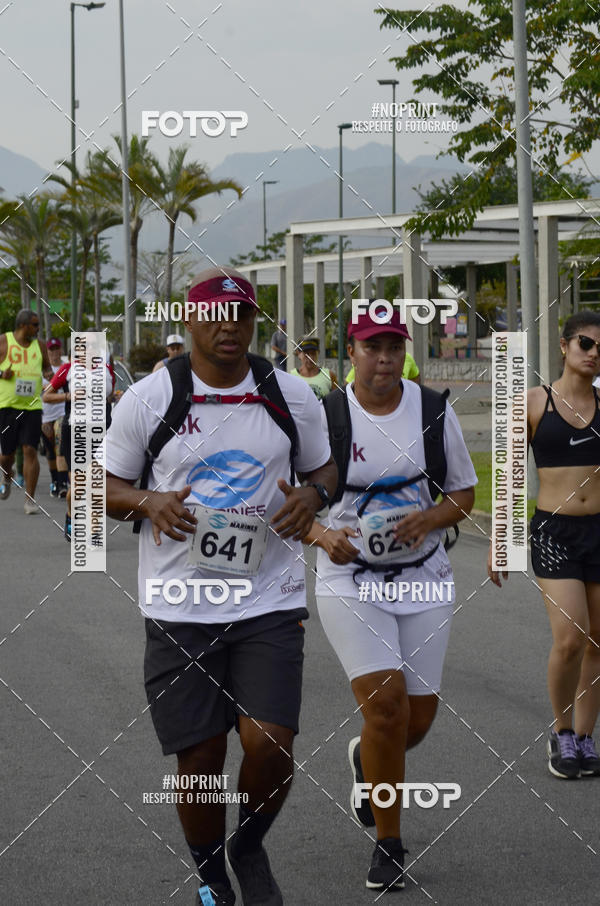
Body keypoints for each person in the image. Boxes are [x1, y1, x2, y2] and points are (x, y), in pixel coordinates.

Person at [102, 266, 337, 906]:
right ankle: (210, 876)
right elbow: (101, 488)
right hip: (180, 604)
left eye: (241, 315)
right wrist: (149, 501)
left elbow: (325, 469)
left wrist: (314, 496)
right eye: (214, 315)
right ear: (190, 320)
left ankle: (248, 845)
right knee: (201, 759)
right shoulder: (150, 398)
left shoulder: (291, 394)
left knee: (271, 743)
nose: (228, 326)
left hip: (269, 597)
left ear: (254, 321)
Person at [304, 308, 476, 891]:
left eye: (393, 348)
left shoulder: (431, 411)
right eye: (371, 347)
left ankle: (366, 759)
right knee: (386, 710)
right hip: (349, 580)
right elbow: (289, 502)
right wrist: (321, 535)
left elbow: (463, 492)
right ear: (350, 352)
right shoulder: (324, 417)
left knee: (415, 721)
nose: (384, 359)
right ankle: (389, 844)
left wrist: (430, 518)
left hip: (424, 576)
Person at [488, 311, 600, 780]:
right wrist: (500, 540)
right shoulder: (534, 402)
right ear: (564, 345)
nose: (593, 353)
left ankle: (586, 738)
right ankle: (562, 731)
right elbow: (509, 476)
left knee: (597, 642)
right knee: (571, 638)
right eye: (585, 343)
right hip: (555, 533)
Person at [43, 349, 115, 541]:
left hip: (101, 432)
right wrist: (69, 396)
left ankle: (94, 531)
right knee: (78, 487)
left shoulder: (106, 369)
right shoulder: (68, 369)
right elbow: (46, 396)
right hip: (76, 432)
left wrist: (114, 397)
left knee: (97, 483)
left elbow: (108, 397)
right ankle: (70, 514)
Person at [0, 309, 53, 514]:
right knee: (6, 455)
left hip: (32, 407)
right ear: (23, 325)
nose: (38, 329)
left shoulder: (40, 346)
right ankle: (7, 474)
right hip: (8, 406)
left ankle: (29, 500)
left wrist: (51, 377)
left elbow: (47, 369)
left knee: (30, 450)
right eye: (35, 325)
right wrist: (2, 373)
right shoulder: (4, 341)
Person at [41, 338, 68, 497]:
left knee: (60, 447)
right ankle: (55, 481)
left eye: (56, 349)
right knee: (50, 450)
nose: (54, 352)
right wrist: (47, 387)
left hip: (61, 413)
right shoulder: (42, 368)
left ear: (61, 350)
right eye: (51, 349)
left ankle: (63, 483)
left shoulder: (66, 367)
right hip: (45, 415)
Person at [345, 348, 421, 385]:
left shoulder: (407, 359)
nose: (385, 358)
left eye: (395, 347)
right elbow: (347, 386)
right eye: (374, 347)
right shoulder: (364, 363)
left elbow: (415, 379)